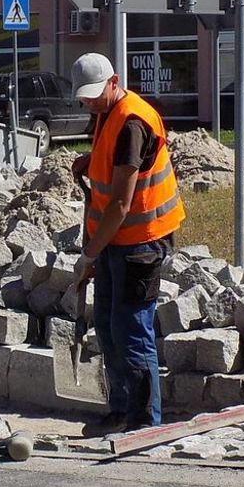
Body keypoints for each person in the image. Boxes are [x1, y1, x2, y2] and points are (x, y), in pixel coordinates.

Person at [70, 52, 185, 434]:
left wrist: (89, 253)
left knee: (132, 330)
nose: (89, 102)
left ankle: (143, 423)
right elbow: (113, 164)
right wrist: (91, 160)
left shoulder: (133, 122)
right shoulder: (106, 112)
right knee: (107, 324)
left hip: (141, 241)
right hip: (114, 240)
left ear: (114, 81)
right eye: (83, 97)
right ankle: (120, 410)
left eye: (94, 95)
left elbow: (120, 203)